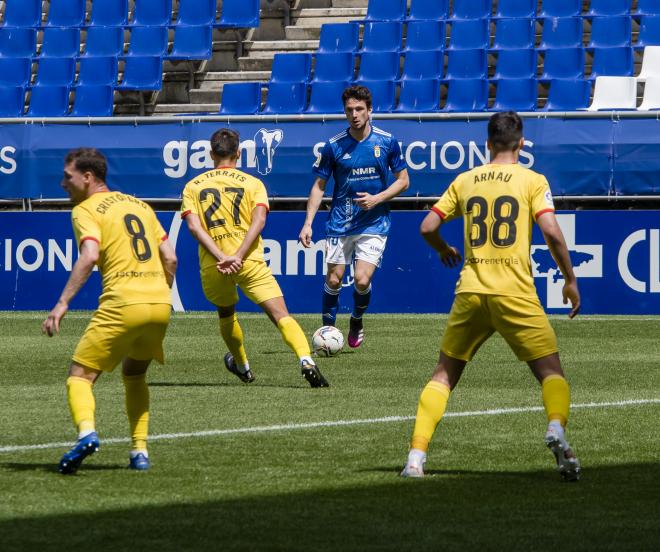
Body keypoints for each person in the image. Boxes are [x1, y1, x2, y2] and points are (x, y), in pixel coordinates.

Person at [401, 111, 582, 481]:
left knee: (443, 376)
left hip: (471, 289)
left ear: (487, 143)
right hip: (515, 291)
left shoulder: (466, 180)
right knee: (551, 374)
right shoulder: (532, 180)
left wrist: (441, 248)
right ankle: (556, 429)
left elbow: (427, 226)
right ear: (521, 143)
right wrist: (569, 278)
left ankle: (415, 459)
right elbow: (551, 232)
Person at [42, 148, 177, 474]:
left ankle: (87, 434)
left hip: (122, 303)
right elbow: (170, 258)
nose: (63, 184)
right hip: (160, 304)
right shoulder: (139, 205)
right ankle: (139, 451)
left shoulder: (85, 209)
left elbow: (89, 256)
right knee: (134, 376)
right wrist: (159, 292)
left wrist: (61, 304)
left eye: (68, 176)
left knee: (80, 377)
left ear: (88, 177)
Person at [181, 128, 328, 388]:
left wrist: (222, 256)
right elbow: (259, 221)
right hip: (248, 261)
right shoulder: (253, 183)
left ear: (211, 153)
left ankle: (242, 366)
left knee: (226, 313)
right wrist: (237, 255)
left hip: (215, 265)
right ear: (239, 152)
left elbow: (194, 227)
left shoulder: (193, 186)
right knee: (280, 314)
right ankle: (306, 359)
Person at [299, 85, 409, 348]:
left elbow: (403, 181)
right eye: (349, 110)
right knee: (334, 279)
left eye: (359, 109)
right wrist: (308, 224)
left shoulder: (386, 142)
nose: (354, 114)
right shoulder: (333, 147)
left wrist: (377, 199)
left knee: (361, 279)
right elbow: (319, 186)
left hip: (374, 222)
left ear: (370, 111)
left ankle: (357, 319)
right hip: (340, 222)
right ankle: (328, 330)